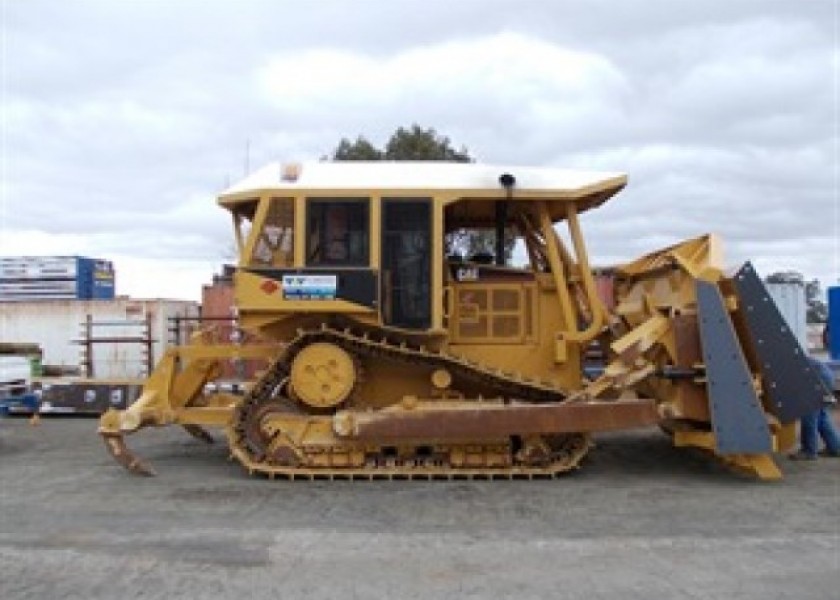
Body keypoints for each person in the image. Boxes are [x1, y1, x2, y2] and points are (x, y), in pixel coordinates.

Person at [789, 356, 840, 460]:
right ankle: (835, 447)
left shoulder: (779, 360)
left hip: (818, 378)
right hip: (826, 376)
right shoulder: (783, 353)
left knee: (809, 415)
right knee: (821, 416)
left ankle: (809, 451)